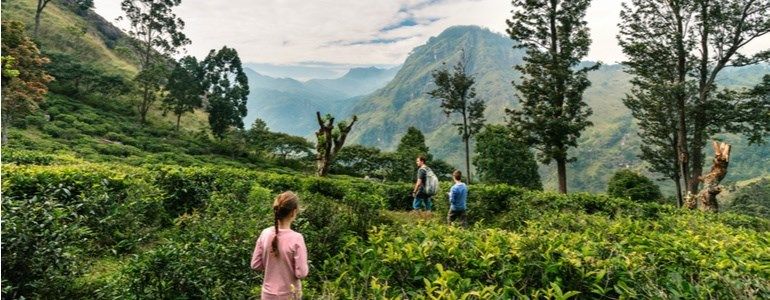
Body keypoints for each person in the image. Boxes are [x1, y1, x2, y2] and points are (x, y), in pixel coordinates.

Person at [251, 191, 309, 300]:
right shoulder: (297, 238)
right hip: (290, 294)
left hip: (267, 295)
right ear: (293, 212)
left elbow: (255, 264)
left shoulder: (265, 233)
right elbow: (301, 273)